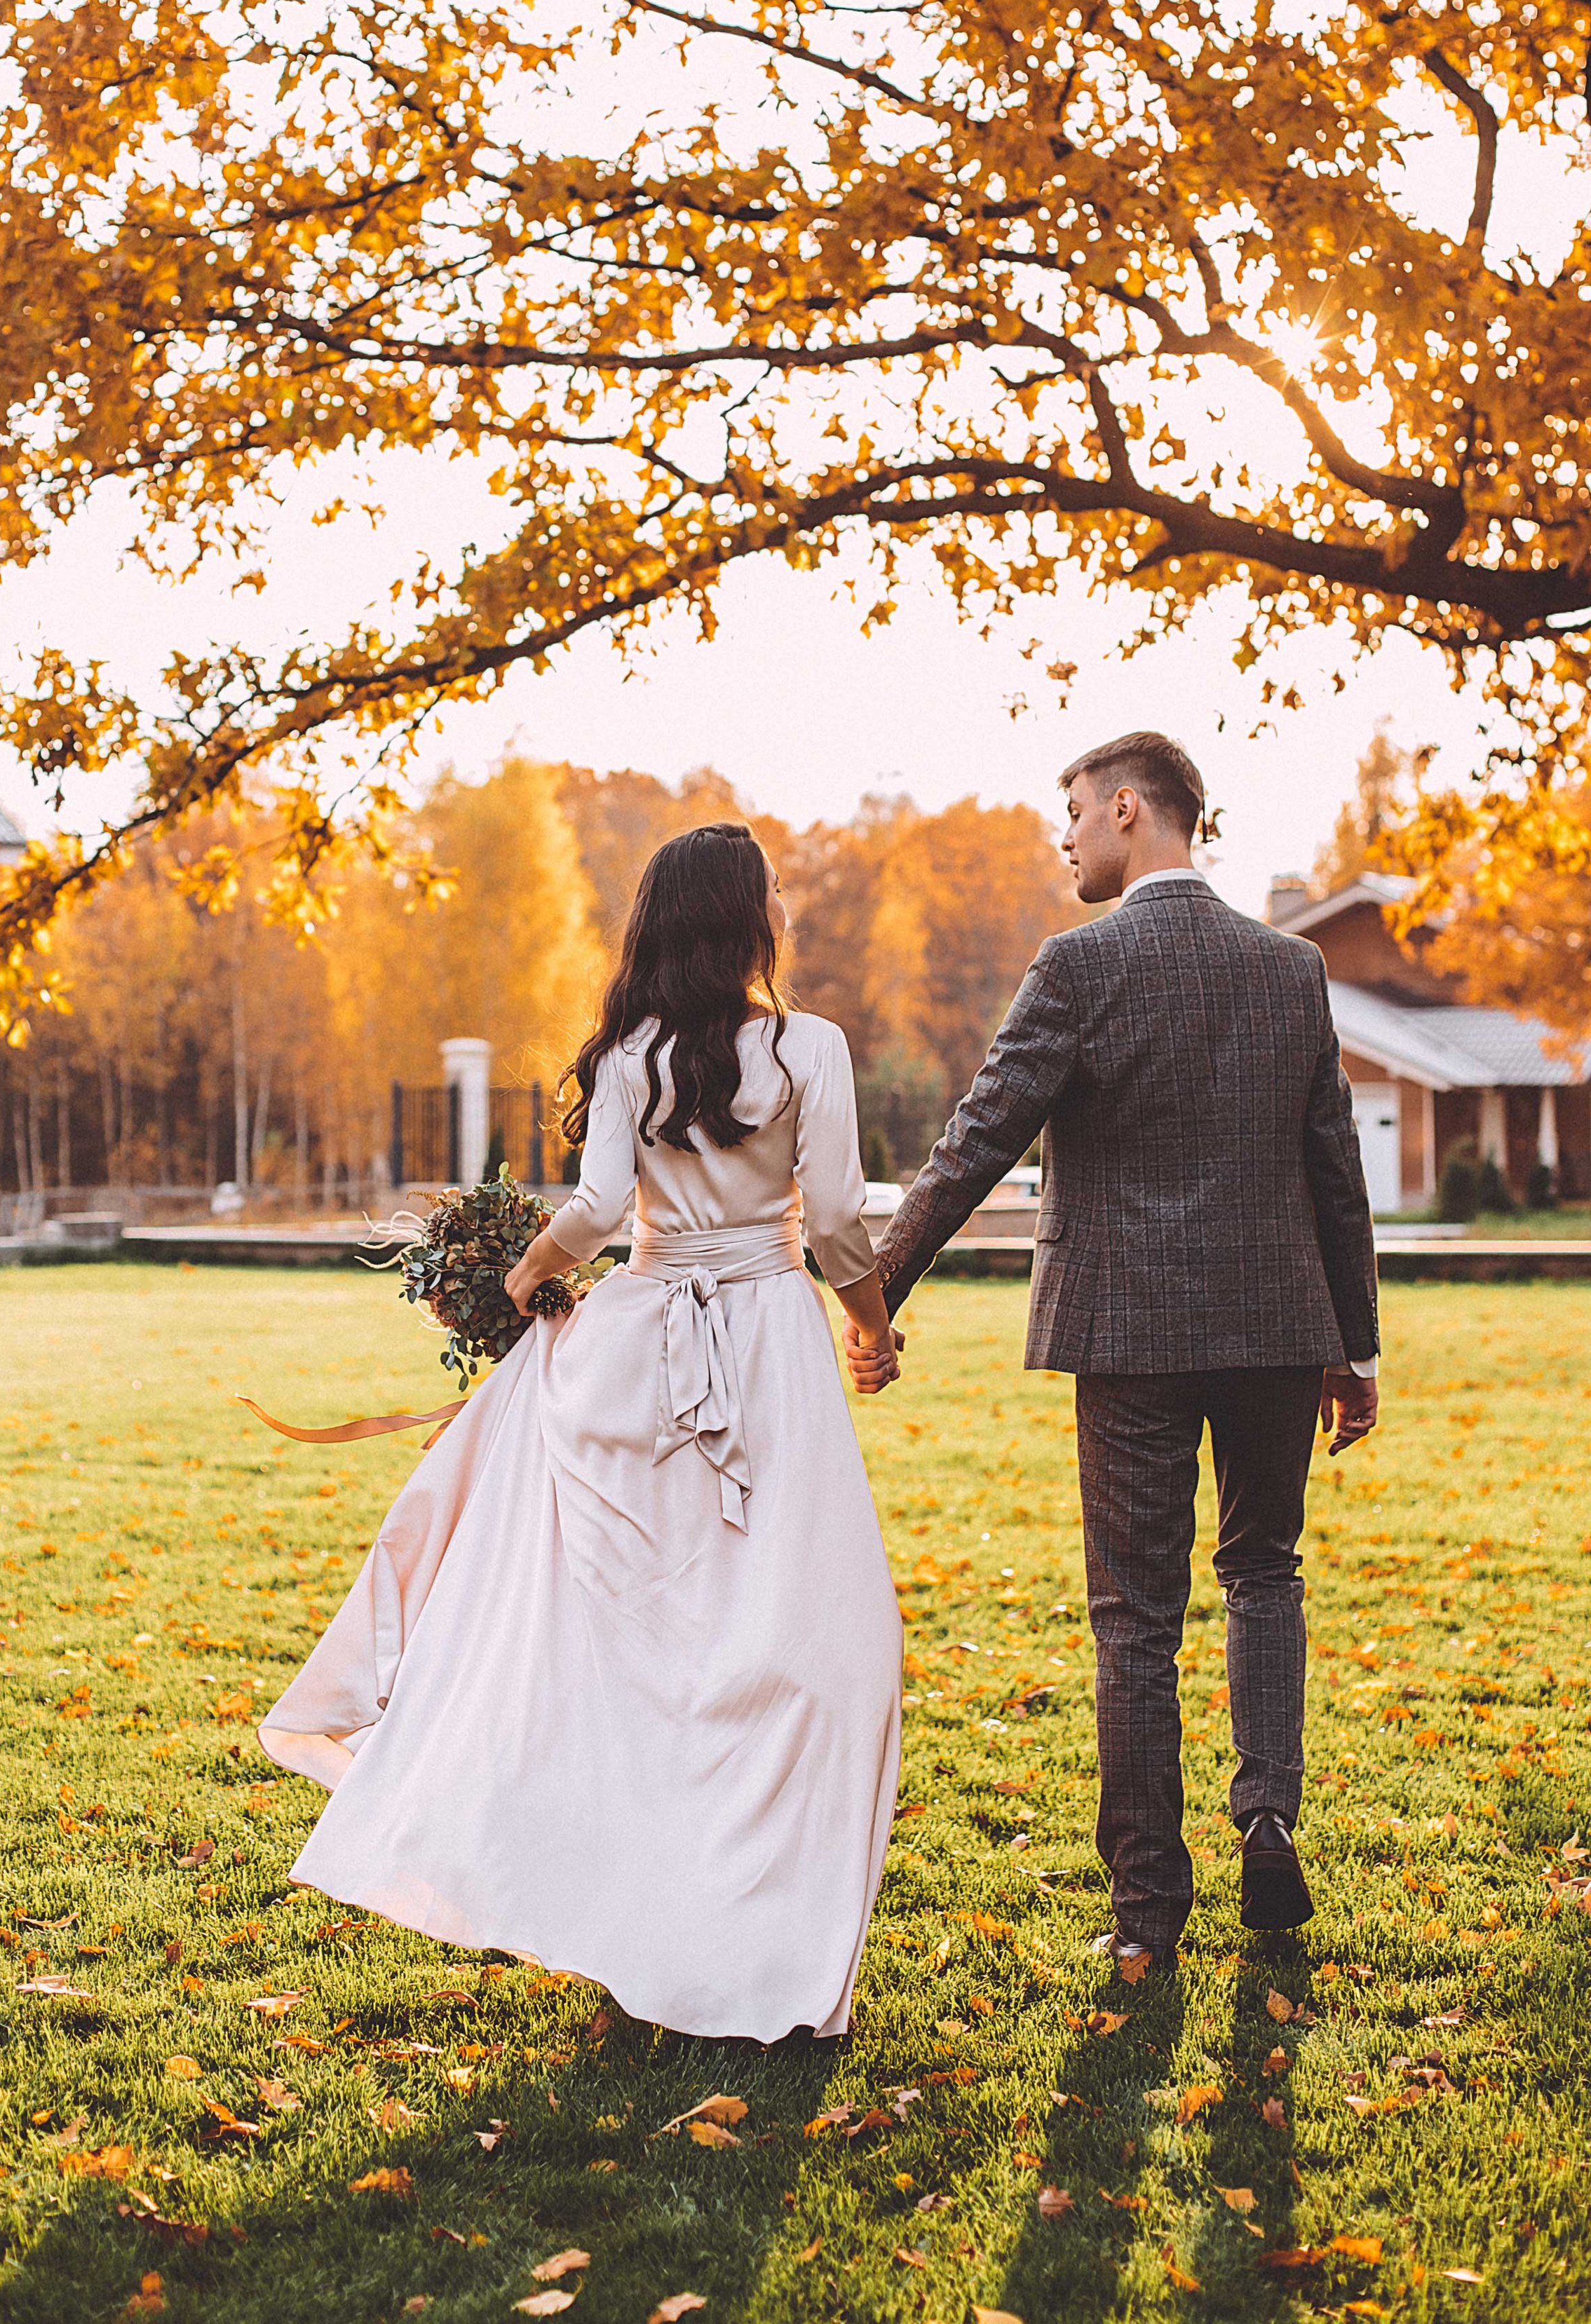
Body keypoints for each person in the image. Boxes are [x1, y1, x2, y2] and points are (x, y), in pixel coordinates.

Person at [259, 822, 905, 2041]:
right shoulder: (807, 1048)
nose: (784, 907)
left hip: (637, 1353)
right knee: (810, 1637)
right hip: (768, 1348)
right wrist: (869, 1328)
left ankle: (660, 1933)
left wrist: (528, 1276)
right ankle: (730, 1933)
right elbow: (832, 1219)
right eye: (772, 892)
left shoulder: (627, 1057)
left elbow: (600, 1209)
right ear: (743, 916)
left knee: (644, 1646)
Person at [851, 732, 1379, 1977]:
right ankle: (1267, 1815)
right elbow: (1335, 1167)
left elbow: (979, 1136)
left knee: (1135, 1620)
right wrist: (1353, 1347)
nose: (1067, 839)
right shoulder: (1291, 968)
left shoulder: (1080, 965)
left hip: (1130, 1336)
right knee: (1264, 1571)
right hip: (1276, 1328)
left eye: (1076, 814)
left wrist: (877, 1291)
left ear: (1131, 809)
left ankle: (1148, 1910)